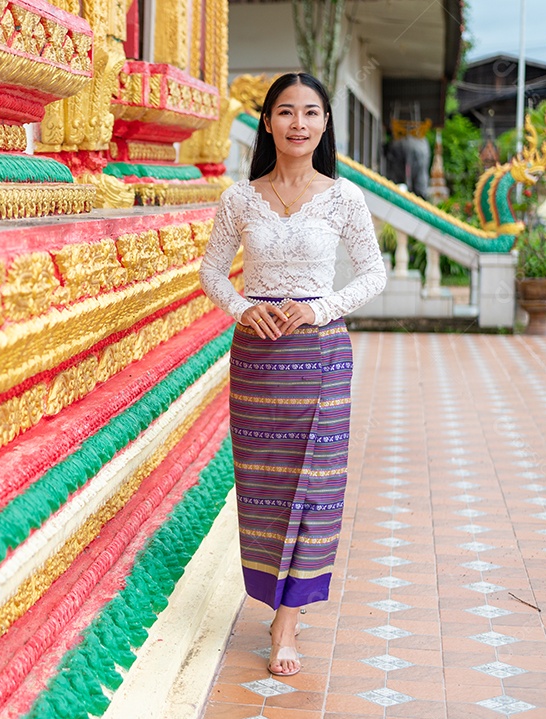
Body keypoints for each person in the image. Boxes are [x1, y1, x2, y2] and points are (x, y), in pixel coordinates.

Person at [198, 72, 386, 678]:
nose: (298, 124)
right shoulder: (239, 198)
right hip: (257, 358)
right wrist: (245, 310)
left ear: (325, 124)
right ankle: (271, 598)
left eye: (310, 112)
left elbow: (371, 274)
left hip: (321, 356)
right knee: (263, 487)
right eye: (285, 112)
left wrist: (316, 308)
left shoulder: (343, 198)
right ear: (268, 123)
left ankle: (287, 622)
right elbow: (212, 274)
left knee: (315, 487)